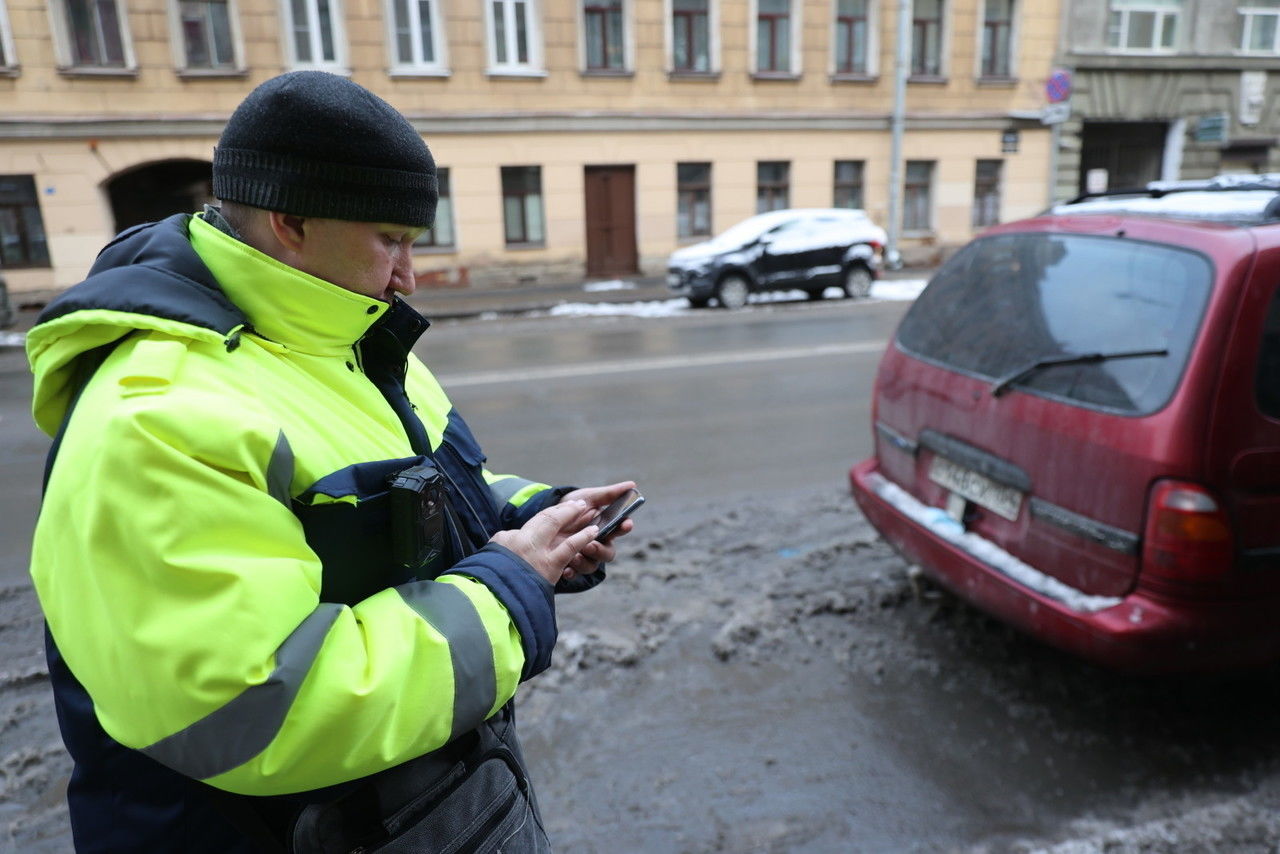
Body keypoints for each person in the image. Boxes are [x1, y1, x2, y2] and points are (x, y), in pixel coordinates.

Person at [27, 70, 635, 853]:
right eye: (392, 240)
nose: (409, 276)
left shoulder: (348, 338)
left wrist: (537, 520)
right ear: (290, 221)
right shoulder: (156, 416)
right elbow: (259, 706)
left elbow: (430, 490)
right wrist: (510, 588)